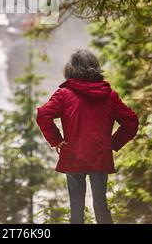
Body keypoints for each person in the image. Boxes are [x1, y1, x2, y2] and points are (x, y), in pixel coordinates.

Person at [36, 49, 139, 224]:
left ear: (71, 69)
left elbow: (43, 115)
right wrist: (113, 143)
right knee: (101, 206)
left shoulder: (64, 94)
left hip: (74, 156)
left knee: (76, 210)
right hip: (100, 156)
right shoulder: (109, 95)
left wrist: (57, 140)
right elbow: (131, 122)